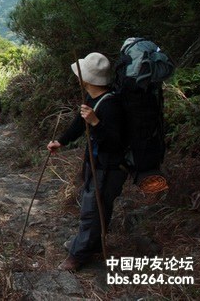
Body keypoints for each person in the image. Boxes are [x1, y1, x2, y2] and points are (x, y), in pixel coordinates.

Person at [47, 52, 128, 271]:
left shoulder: (111, 104)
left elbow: (115, 141)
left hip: (109, 168)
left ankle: (78, 255)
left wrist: (95, 122)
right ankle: (87, 244)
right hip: (97, 164)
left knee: (93, 210)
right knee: (95, 206)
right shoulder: (94, 99)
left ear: (87, 79)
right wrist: (61, 141)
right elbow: (78, 123)